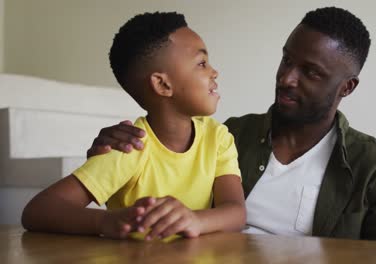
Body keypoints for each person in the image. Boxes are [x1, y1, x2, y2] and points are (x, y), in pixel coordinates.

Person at [87, 7, 376, 242]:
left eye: (310, 72)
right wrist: (114, 147)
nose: (287, 78)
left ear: (346, 87)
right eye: (287, 59)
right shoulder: (226, 136)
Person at [21, 12, 246, 241]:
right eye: (202, 63)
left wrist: (195, 220)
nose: (214, 71)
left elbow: (236, 213)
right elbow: (37, 211)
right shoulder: (128, 147)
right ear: (162, 84)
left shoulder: (218, 139)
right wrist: (107, 221)